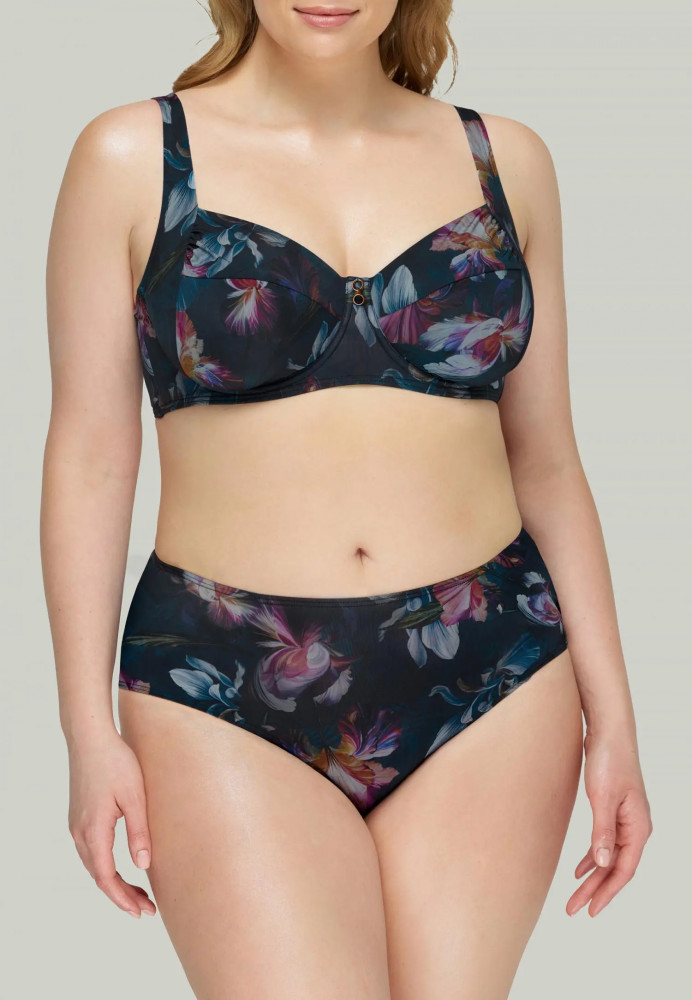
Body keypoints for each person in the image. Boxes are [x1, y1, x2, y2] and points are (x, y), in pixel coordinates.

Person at [41, 2, 653, 998]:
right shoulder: (132, 156)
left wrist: (615, 719)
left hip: (495, 671)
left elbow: (547, 462)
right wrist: (83, 731)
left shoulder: (505, 161)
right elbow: (90, 459)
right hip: (220, 677)